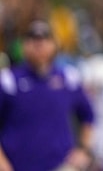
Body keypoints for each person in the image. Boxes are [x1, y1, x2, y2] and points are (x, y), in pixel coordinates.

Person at [0, 20, 95, 171]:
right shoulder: (8, 80)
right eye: (33, 40)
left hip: (59, 165)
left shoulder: (68, 78)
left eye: (44, 39)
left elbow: (88, 116)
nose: (39, 45)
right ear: (24, 45)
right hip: (17, 165)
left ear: (54, 45)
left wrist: (84, 149)